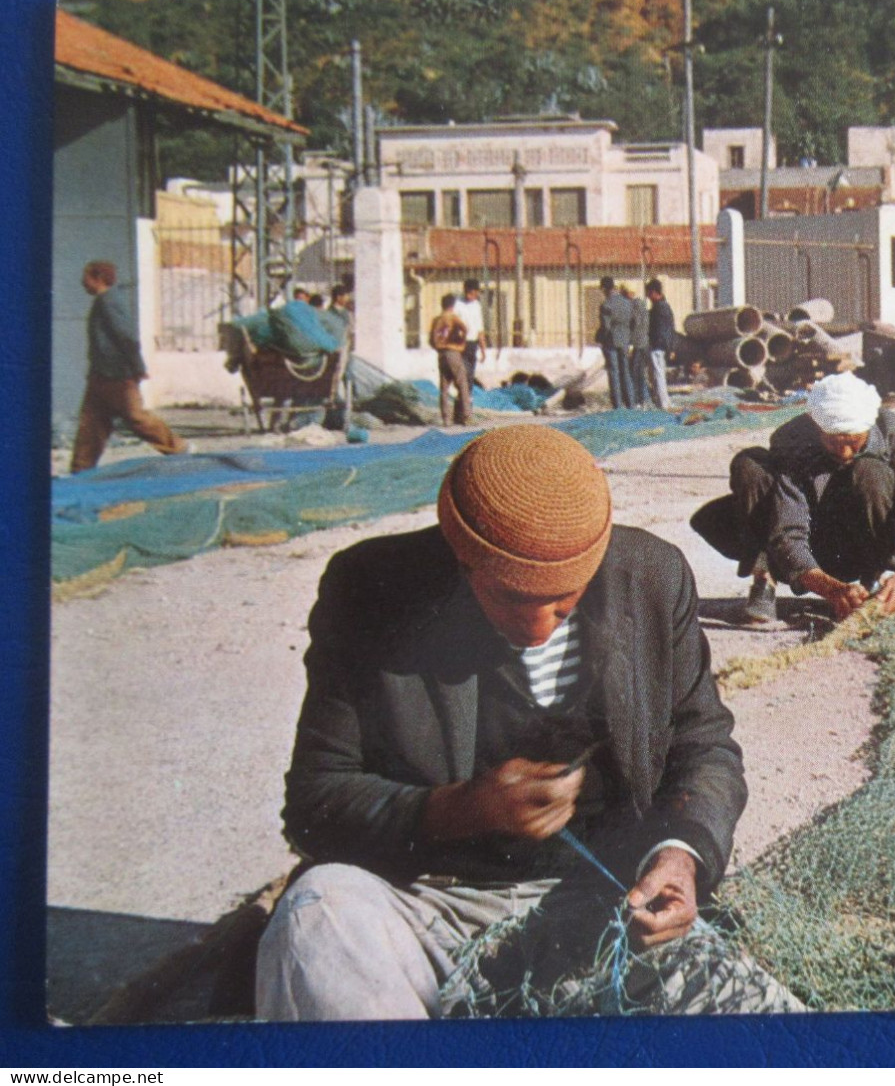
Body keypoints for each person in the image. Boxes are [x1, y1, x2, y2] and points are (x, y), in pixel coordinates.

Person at [256, 425, 799, 1019]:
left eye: (563, 602)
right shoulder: (373, 589)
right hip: (429, 902)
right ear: (462, 560)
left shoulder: (649, 577)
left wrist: (678, 857)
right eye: (513, 597)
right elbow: (316, 802)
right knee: (316, 917)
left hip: (608, 909)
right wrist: (462, 807)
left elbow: (704, 746)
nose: (540, 627)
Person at [690, 372, 895, 624]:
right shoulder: (792, 440)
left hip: (862, 541)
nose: (844, 453)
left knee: (872, 472)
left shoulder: (893, 433)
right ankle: (764, 577)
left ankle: (877, 581)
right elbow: (787, 529)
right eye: (832, 442)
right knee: (750, 465)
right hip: (811, 542)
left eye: (853, 442)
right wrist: (829, 588)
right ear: (816, 426)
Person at [69, 261, 188, 474]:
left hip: (117, 376)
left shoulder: (109, 302)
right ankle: (80, 470)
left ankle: (178, 447)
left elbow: (127, 337)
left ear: (98, 278)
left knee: (136, 418)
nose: (82, 282)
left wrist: (137, 368)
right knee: (92, 424)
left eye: (85, 277)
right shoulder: (103, 301)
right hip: (101, 375)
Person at [428, 293, 472, 426]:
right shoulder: (454, 318)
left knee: (444, 386)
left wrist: (438, 347)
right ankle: (466, 416)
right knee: (462, 384)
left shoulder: (437, 320)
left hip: (441, 354)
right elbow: (465, 330)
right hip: (453, 352)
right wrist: (461, 344)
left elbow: (431, 339)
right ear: (453, 305)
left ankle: (446, 418)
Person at [594, 276, 634, 410]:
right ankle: (630, 403)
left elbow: (605, 327)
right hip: (625, 340)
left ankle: (617, 405)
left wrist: (599, 338)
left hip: (611, 341)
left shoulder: (606, 305)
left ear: (604, 288)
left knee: (614, 372)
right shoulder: (627, 302)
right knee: (626, 371)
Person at [645, 279, 676, 412]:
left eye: (648, 293)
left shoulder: (659, 308)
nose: (648, 297)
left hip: (658, 345)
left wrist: (656, 343)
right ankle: (665, 401)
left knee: (658, 374)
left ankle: (663, 403)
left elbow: (660, 330)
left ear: (654, 292)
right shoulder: (665, 306)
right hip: (663, 345)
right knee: (660, 373)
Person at [454, 279, 487, 390]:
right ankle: (462, 400)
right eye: (468, 292)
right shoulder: (457, 304)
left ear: (477, 292)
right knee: (461, 374)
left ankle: (468, 400)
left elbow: (479, 329)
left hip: (472, 344)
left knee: (470, 375)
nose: (470, 296)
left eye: (473, 293)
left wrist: (483, 349)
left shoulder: (477, 305)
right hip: (460, 343)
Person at [622, 283, 650, 409]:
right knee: (639, 372)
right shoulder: (641, 304)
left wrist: (631, 344)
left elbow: (635, 324)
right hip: (643, 342)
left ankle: (641, 400)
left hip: (638, 343)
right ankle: (643, 400)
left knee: (636, 372)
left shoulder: (635, 306)